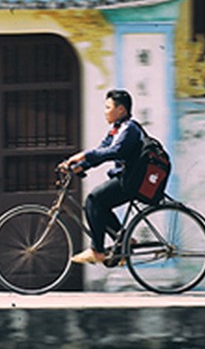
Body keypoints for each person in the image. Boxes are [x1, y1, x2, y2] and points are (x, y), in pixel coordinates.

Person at [62, 88, 145, 265]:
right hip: (127, 179)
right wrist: (78, 167)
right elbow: (101, 152)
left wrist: (83, 155)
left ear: (121, 110)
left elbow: (115, 151)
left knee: (93, 200)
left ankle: (97, 251)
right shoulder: (116, 130)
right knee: (100, 205)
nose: (105, 111)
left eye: (108, 107)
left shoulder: (130, 128)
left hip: (132, 181)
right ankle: (125, 240)